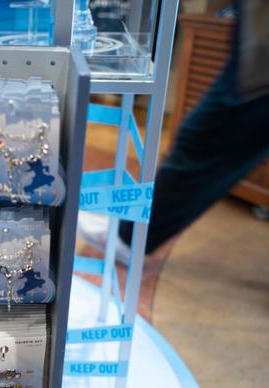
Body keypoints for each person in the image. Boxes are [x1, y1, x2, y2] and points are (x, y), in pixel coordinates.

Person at [79, 1, 269, 264]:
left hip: (258, 67)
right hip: (254, 56)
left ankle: (131, 238)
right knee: (200, 141)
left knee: (200, 141)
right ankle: (131, 234)